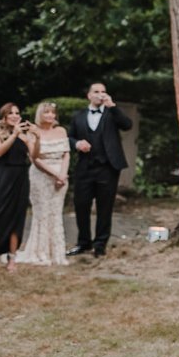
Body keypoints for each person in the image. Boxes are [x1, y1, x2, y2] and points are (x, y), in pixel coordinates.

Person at [66, 83, 132, 257]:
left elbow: (127, 125)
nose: (100, 95)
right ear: (89, 95)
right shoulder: (78, 116)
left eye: (103, 92)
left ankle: (100, 244)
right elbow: (69, 137)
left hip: (108, 168)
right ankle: (83, 242)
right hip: (84, 168)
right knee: (81, 206)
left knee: (105, 207)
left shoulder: (112, 113)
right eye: (96, 92)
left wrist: (113, 106)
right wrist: (77, 144)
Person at [0, 103, 36, 275]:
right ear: (4, 116)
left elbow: (35, 157)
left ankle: (12, 258)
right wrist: (14, 134)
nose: (15, 115)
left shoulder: (24, 133)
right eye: (11, 113)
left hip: (21, 177)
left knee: (17, 217)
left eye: (17, 113)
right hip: (3, 176)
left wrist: (37, 138)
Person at [17, 102, 70, 266]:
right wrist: (55, 174)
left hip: (61, 176)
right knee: (42, 213)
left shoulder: (61, 130)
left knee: (55, 213)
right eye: (47, 113)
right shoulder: (33, 132)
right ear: (40, 114)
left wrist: (62, 174)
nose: (50, 116)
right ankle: (40, 252)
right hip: (41, 176)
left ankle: (57, 253)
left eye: (53, 113)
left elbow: (66, 154)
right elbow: (35, 159)